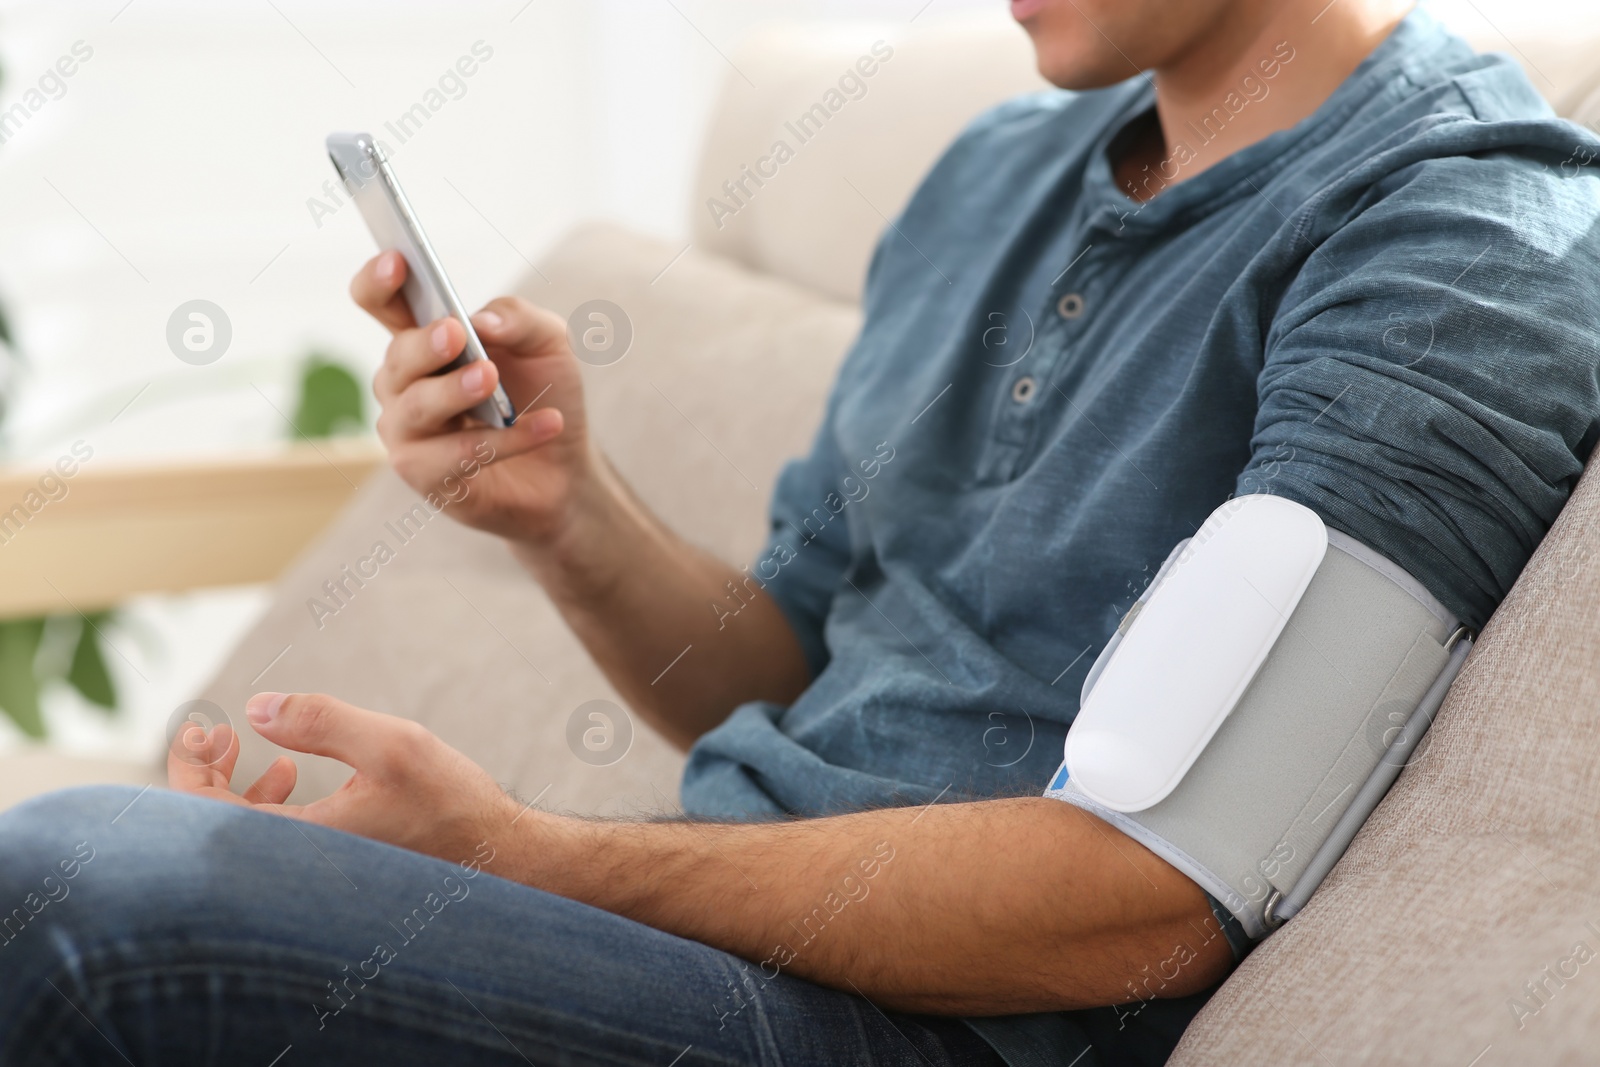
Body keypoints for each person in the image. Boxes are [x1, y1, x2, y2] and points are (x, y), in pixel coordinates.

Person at [4, 0, 1599, 1063]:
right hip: (715, 929)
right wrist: (572, 516)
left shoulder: (1453, 234)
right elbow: (783, 666)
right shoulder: (992, 168)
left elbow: (1154, 896)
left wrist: (520, 857)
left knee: (82, 889)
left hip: (927, 1025)